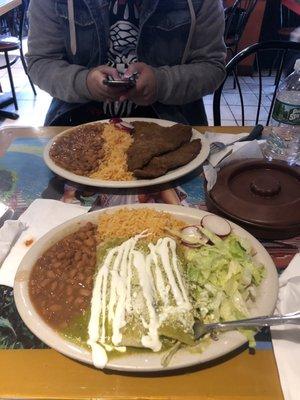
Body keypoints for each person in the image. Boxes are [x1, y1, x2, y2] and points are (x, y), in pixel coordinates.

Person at [27, 0, 226, 126]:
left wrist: (161, 83)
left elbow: (212, 67)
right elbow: (40, 62)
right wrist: (84, 82)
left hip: (174, 124)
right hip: (73, 121)